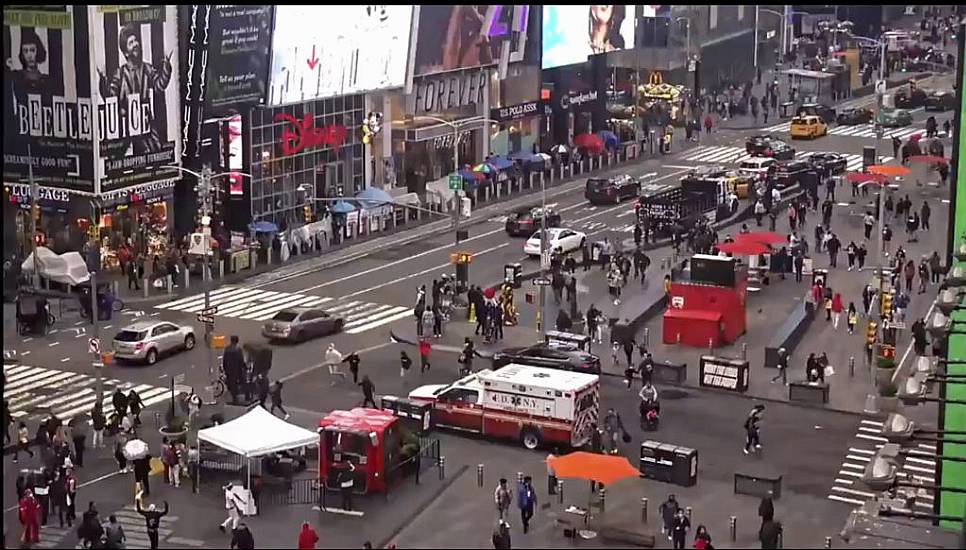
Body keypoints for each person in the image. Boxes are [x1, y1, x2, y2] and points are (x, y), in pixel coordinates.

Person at [97, 23, 173, 155]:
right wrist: (103, 79)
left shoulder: (147, 69)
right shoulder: (119, 74)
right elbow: (110, 97)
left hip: (144, 122)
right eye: (131, 42)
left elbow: (160, 85)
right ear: (125, 52)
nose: (136, 44)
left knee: (156, 152)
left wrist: (166, 64)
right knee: (115, 157)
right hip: (125, 123)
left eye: (136, 40)